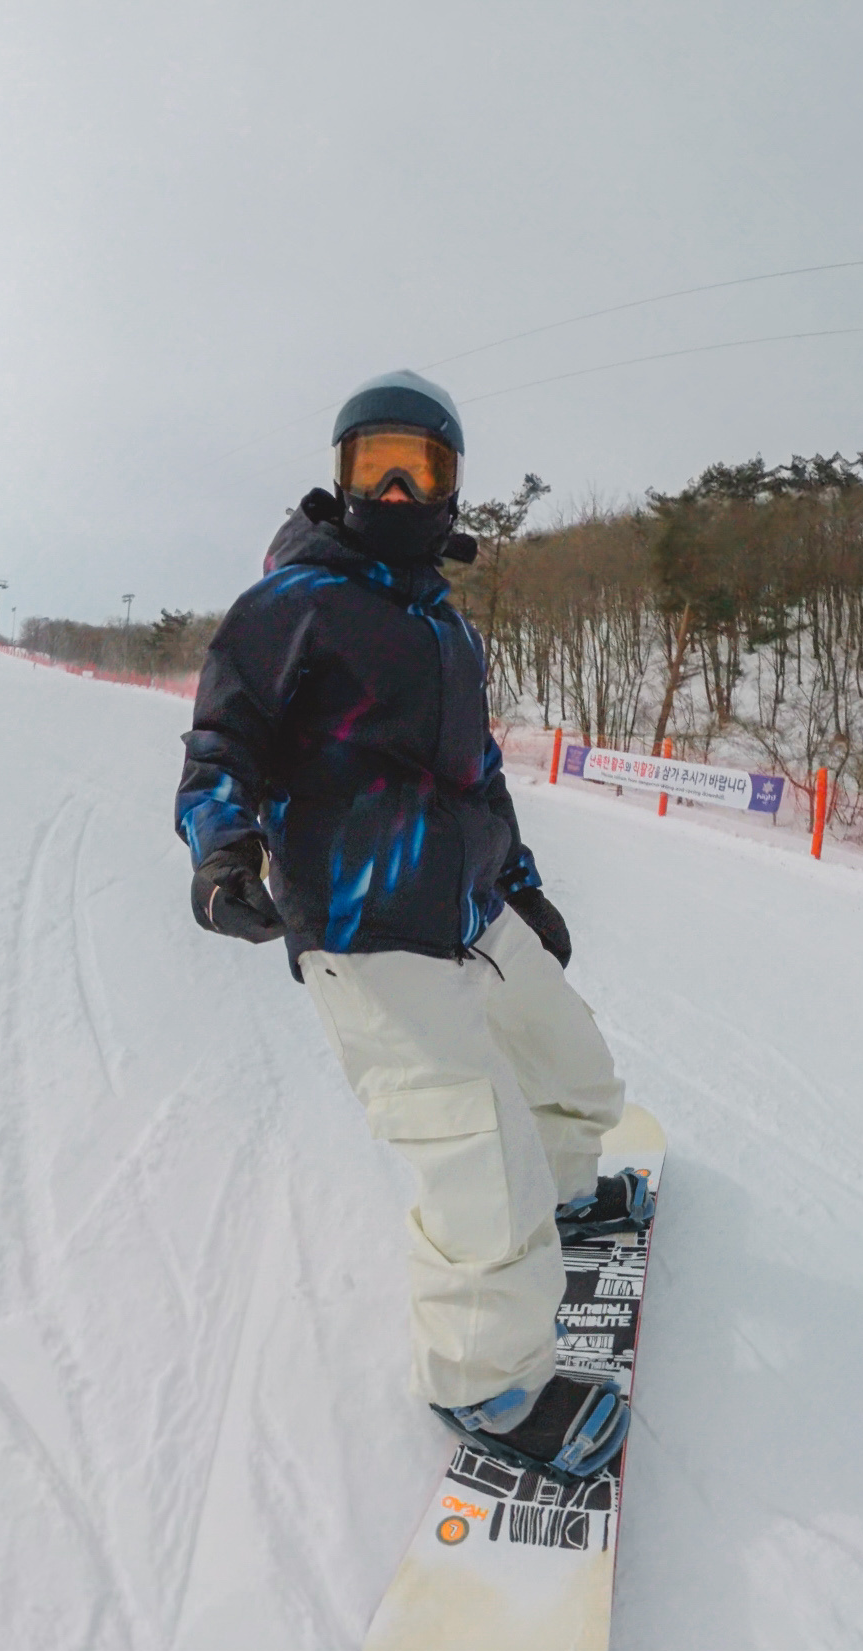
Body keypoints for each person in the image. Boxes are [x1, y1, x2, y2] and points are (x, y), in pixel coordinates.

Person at [175, 371, 650, 1480]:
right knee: (478, 1158)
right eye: (373, 463)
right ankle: (486, 1383)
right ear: (339, 477)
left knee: (572, 1065)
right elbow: (219, 744)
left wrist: (521, 878)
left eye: (419, 467)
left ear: (450, 485)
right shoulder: (290, 605)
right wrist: (220, 846)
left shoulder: (445, 630)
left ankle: (575, 1193)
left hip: (471, 904)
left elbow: (475, 775)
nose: (395, 486)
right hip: (365, 919)